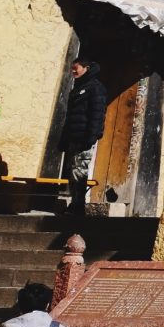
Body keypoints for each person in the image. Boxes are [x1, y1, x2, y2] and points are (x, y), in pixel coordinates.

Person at [58, 57, 106, 215]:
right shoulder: (78, 88)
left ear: (86, 68)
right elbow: (70, 117)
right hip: (73, 138)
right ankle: (75, 203)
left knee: (79, 171)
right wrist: (64, 140)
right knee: (72, 171)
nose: (73, 71)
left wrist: (91, 137)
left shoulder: (95, 88)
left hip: (84, 138)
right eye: (72, 69)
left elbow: (97, 114)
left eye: (76, 68)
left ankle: (78, 207)